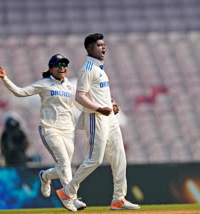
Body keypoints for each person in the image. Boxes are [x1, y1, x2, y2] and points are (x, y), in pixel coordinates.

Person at [56, 33, 140, 211]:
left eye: (104, 45)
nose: (103, 48)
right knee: (94, 159)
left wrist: (110, 105)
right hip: (96, 118)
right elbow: (80, 96)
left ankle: (118, 199)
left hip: (110, 118)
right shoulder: (87, 69)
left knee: (119, 158)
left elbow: (99, 95)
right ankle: (67, 191)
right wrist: (99, 109)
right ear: (89, 49)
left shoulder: (100, 69)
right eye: (99, 45)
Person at [0, 54, 86, 210]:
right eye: (59, 65)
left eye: (65, 64)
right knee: (64, 163)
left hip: (67, 131)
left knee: (65, 167)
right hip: (49, 129)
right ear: (51, 69)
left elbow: (81, 105)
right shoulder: (45, 84)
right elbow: (20, 92)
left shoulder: (70, 86)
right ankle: (71, 198)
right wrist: (5, 79)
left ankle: (45, 176)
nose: (62, 67)